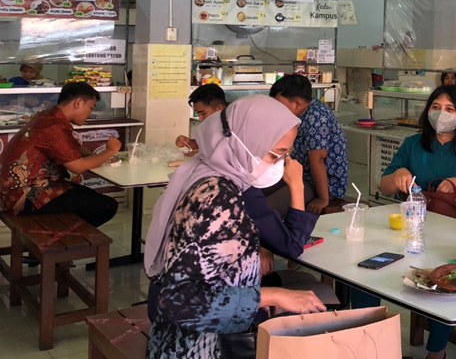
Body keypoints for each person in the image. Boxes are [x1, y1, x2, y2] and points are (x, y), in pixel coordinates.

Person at [144, 95, 325, 358]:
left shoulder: (208, 172)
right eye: (276, 154)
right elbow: (180, 301)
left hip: (189, 335)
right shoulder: (218, 196)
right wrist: (272, 296)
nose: (279, 164)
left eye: (286, 154)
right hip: (199, 346)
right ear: (244, 142)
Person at [355, 84, 456, 359]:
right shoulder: (413, 144)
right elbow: (385, 186)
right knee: (367, 271)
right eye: (436, 107)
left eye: (450, 109)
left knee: (442, 279)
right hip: (410, 229)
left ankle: (437, 351)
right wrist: (399, 172)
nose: (441, 113)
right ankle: (366, 343)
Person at [0, 82, 121, 227]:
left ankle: (64, 238)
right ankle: (61, 241)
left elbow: (74, 147)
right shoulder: (53, 126)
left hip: (16, 192)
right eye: (90, 108)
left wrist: (100, 157)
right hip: (25, 197)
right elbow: (77, 167)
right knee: (106, 206)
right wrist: (110, 151)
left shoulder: (48, 117)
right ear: (78, 103)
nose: (90, 114)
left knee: (90, 196)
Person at [268, 74, 348, 215]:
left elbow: (317, 159)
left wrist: (323, 198)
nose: (276, 110)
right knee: (255, 192)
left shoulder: (316, 117)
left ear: (297, 103)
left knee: (269, 207)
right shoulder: (301, 111)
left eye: (280, 105)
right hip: (298, 173)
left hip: (321, 183)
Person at [175, 83, 227, 152]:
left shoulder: (237, 123)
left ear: (219, 108)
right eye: (198, 113)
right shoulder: (213, 122)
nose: (200, 118)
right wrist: (188, 142)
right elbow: (205, 143)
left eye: (203, 113)